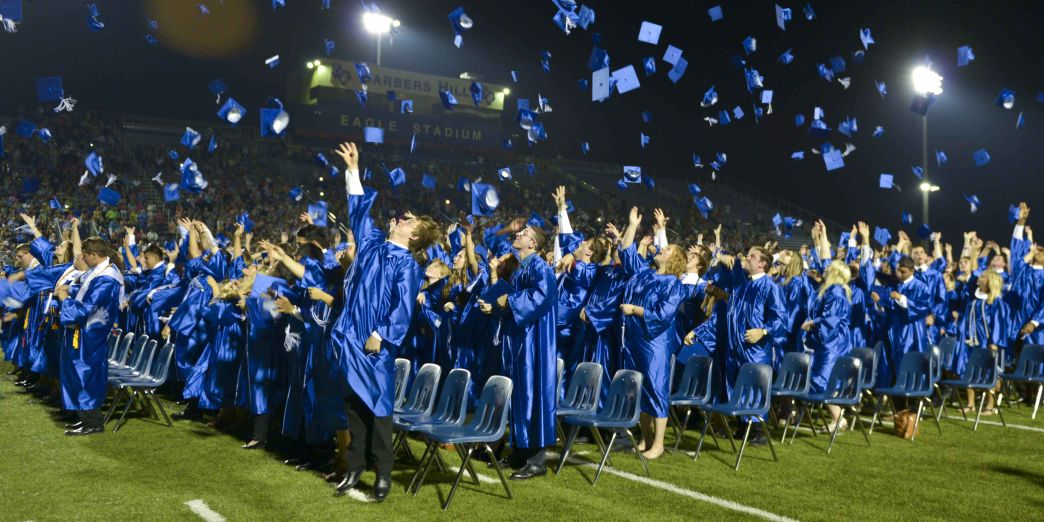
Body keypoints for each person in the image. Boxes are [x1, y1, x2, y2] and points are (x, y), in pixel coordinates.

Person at [331, 141, 440, 502]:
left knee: (378, 408)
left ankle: (382, 473)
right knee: (353, 406)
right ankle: (355, 465)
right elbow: (358, 214)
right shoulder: (374, 244)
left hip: (375, 343)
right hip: (351, 336)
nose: (402, 217)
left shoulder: (408, 265)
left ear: (413, 236)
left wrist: (380, 334)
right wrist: (353, 170)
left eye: (410, 220)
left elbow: (403, 309)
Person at [478, 218, 558, 478]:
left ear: (532, 243)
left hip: (534, 343)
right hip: (519, 341)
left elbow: (540, 298)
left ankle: (536, 460)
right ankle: (519, 452)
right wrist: (496, 307)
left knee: (532, 394)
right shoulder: (520, 269)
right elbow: (512, 305)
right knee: (519, 396)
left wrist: (508, 300)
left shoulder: (539, 267)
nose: (518, 235)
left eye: (523, 233)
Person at [613, 206, 685, 460]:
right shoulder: (645, 273)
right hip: (636, 340)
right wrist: (632, 225)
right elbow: (626, 252)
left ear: (673, 260)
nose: (659, 249)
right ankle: (645, 438)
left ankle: (659, 443)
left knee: (656, 389)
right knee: (640, 389)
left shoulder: (674, 285)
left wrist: (636, 310)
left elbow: (663, 314)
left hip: (656, 343)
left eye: (665, 250)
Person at [56, 237, 125, 436]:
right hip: (86, 333)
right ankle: (84, 419)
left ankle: (93, 422)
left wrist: (65, 299)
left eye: (85, 256)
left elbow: (87, 307)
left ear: (94, 255)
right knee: (77, 373)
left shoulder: (108, 277)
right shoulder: (100, 272)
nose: (83, 260)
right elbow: (88, 291)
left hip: (91, 335)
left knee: (85, 374)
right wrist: (72, 289)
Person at [801, 260, 853, 429]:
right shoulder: (830, 289)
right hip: (828, 341)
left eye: (829, 268)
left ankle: (839, 418)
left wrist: (812, 323)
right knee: (821, 378)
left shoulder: (837, 291)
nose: (826, 269)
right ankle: (836, 418)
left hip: (833, 342)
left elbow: (832, 319)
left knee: (821, 380)